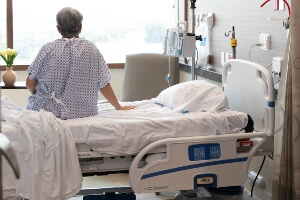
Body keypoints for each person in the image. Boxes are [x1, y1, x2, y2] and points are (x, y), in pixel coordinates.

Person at [26, 7, 135, 120]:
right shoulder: (92, 49)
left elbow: (30, 83)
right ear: (80, 27)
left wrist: (37, 93)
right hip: (84, 113)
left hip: (47, 112)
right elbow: (104, 83)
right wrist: (118, 107)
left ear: (58, 29)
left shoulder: (48, 49)